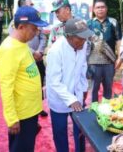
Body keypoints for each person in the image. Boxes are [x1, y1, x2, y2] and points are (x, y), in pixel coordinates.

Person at [0, 6, 49, 152]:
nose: (36, 32)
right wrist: (12, 118)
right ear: (21, 26)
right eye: (34, 28)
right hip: (21, 115)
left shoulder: (22, 44)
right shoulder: (9, 49)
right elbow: (6, 87)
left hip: (30, 111)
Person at [46, 18, 94, 152]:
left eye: (85, 37)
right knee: (60, 131)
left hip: (77, 94)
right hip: (59, 100)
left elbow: (83, 67)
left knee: (80, 129)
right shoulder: (56, 51)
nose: (84, 41)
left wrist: (84, 89)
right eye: (80, 38)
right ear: (69, 37)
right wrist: (71, 100)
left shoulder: (82, 45)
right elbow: (53, 81)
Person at [9, 0, 49, 117]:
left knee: (39, 82)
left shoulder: (35, 18)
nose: (33, 6)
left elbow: (43, 37)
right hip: (26, 59)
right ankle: (30, 111)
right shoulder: (14, 24)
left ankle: (39, 107)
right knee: (27, 85)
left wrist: (40, 51)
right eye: (30, 5)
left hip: (39, 58)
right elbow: (17, 42)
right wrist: (33, 52)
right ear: (22, 6)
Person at [87, 0, 122, 102]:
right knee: (94, 89)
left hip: (109, 61)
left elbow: (119, 40)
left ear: (106, 9)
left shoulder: (113, 22)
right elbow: (84, 44)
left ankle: (106, 111)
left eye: (102, 7)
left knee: (108, 88)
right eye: (98, 7)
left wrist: (119, 57)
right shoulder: (88, 23)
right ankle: (93, 109)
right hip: (93, 62)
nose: (100, 9)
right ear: (94, 10)